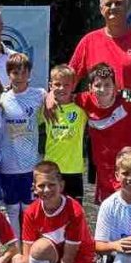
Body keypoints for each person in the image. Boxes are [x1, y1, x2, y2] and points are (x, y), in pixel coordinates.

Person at [15, 161, 99, 263]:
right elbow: (28, 256)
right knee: (37, 250)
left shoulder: (74, 210)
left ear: (61, 185)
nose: (46, 190)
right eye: (41, 185)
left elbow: (69, 257)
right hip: (54, 258)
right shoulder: (31, 212)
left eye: (51, 185)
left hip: (77, 259)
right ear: (34, 188)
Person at [76, 62, 131, 204]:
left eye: (107, 85)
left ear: (115, 87)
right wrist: (50, 97)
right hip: (103, 176)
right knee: (106, 214)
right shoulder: (84, 100)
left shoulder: (128, 101)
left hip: (128, 172)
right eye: (97, 85)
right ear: (90, 88)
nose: (102, 89)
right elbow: (63, 96)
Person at [0, 52, 46, 232]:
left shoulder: (39, 95)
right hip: (7, 165)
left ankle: (29, 244)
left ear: (29, 73)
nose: (19, 77)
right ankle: (15, 246)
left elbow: (56, 99)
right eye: (15, 73)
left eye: (23, 72)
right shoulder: (1, 98)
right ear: (8, 74)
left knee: (29, 208)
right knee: (11, 209)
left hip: (30, 165)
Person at [41, 64, 88, 201]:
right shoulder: (46, 109)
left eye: (66, 85)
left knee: (74, 209)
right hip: (51, 169)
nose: (61, 88)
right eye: (57, 84)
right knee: (50, 207)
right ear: (50, 86)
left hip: (74, 170)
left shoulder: (81, 109)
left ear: (73, 86)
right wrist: (48, 97)